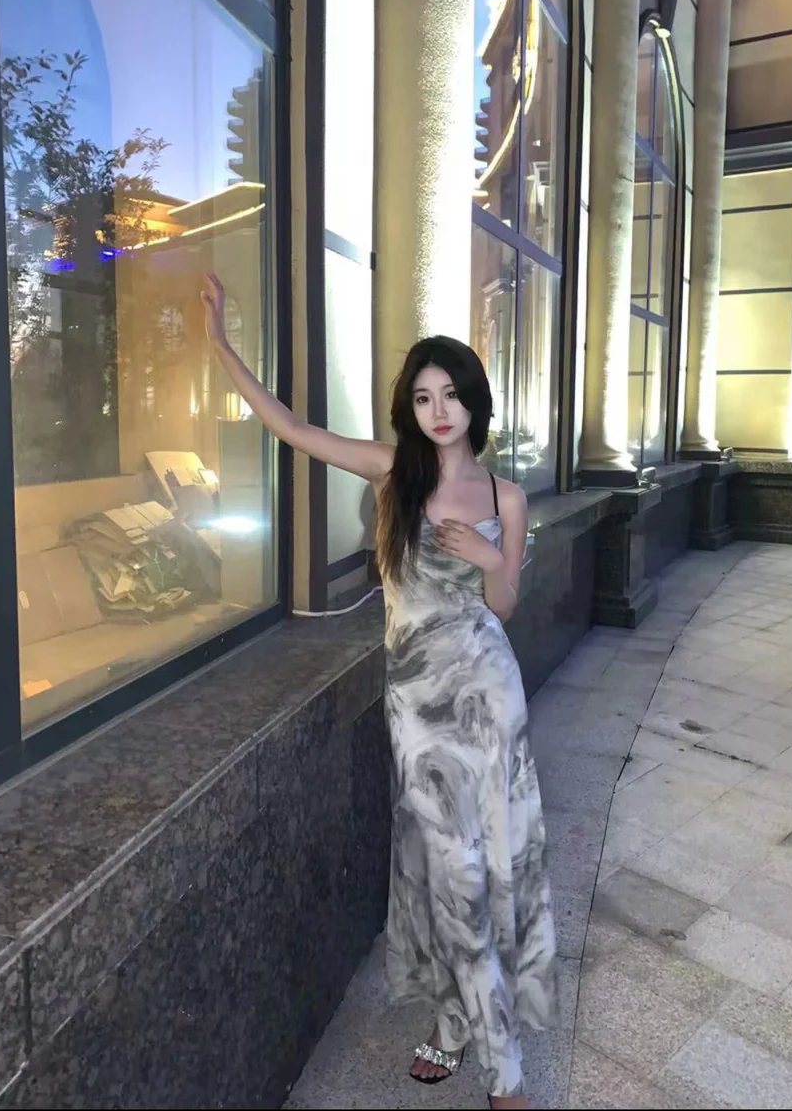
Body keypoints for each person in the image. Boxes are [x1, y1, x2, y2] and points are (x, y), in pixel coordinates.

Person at [201, 275, 557, 1109]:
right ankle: (478, 1038)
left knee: (481, 867)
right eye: (423, 397)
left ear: (473, 401)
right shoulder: (393, 471)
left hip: (488, 697)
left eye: (450, 395)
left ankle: (484, 1050)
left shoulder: (506, 497)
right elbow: (292, 428)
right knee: (449, 868)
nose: (438, 410)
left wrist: (488, 556)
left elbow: (505, 605)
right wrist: (220, 345)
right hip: (417, 706)